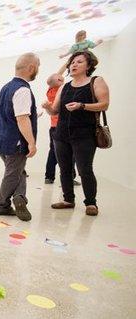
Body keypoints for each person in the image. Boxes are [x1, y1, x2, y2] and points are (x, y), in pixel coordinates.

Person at [42, 51, 109, 216]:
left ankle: (91, 203)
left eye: (79, 61)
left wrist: (82, 105)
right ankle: (68, 200)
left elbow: (104, 104)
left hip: (85, 134)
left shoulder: (96, 81)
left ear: (89, 65)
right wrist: (47, 107)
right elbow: (55, 110)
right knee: (65, 169)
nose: (74, 64)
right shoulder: (64, 86)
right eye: (72, 62)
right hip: (61, 134)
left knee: (85, 169)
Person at [0, 53, 40, 222]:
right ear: (31, 68)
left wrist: (31, 115)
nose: (38, 70)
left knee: (18, 171)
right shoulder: (23, 89)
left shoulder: (5, 87)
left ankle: (19, 196)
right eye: (38, 67)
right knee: (13, 173)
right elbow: (21, 118)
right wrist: (31, 142)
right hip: (15, 141)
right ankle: (2, 206)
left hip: (1, 139)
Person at [43, 73, 80, 186]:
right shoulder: (63, 89)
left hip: (53, 127)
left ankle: (49, 177)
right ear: (59, 80)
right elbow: (57, 76)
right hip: (63, 126)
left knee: (53, 152)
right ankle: (70, 178)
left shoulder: (50, 91)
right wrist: (67, 58)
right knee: (70, 152)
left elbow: (53, 78)